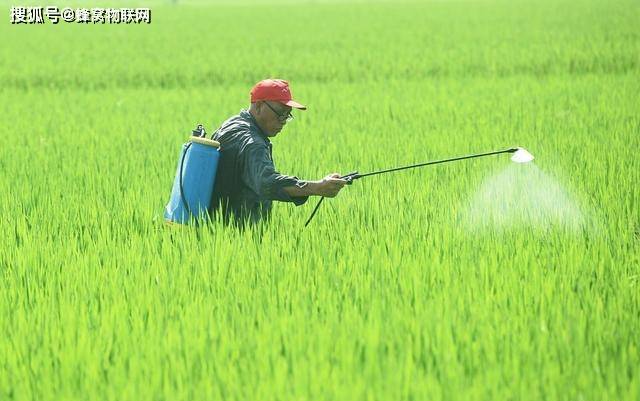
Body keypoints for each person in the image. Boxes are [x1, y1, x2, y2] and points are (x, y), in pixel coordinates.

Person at [209, 79, 347, 227]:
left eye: (287, 115)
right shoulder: (253, 142)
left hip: (214, 227)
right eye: (280, 113)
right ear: (259, 106)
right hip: (235, 235)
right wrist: (317, 187)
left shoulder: (232, 124)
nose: (283, 121)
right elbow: (266, 183)